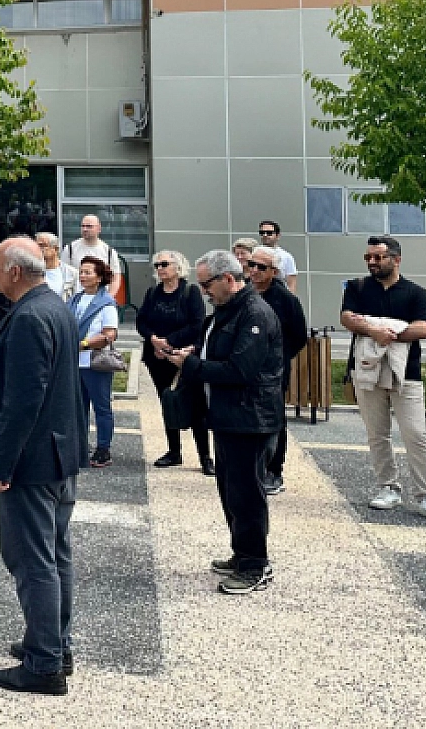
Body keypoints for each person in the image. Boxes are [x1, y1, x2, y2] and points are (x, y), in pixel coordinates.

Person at [0, 236, 85, 696]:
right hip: (58, 454)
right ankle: (54, 644)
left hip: (33, 462)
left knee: (33, 559)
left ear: (15, 271)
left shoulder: (32, 316)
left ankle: (44, 664)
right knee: (55, 555)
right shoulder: (53, 306)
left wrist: (0, 462)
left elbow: (24, 398)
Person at [161, 250, 284, 595]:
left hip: (251, 418)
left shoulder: (255, 313)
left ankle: (255, 564)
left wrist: (189, 366)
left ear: (228, 279)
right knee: (231, 492)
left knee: (247, 495)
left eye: (206, 285)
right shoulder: (225, 312)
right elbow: (212, 353)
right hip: (228, 417)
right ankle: (242, 553)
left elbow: (239, 370)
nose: (203, 292)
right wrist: (186, 354)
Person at [339, 235, 426, 524]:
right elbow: (347, 318)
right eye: (368, 258)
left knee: (416, 433)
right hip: (366, 369)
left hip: (407, 373)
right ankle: (387, 486)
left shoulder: (416, 293)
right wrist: (374, 330)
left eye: (378, 257)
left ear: (396, 259)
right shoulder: (357, 287)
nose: (372, 262)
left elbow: (423, 328)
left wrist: (385, 332)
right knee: (377, 432)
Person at [136, 251, 212, 473]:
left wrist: (169, 343)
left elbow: (197, 324)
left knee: (195, 406)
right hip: (157, 357)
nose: (160, 269)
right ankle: (174, 451)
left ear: (177, 267)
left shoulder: (190, 292)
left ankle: (205, 457)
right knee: (167, 401)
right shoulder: (152, 293)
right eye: (157, 265)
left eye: (164, 264)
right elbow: (142, 321)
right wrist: (153, 340)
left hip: (184, 356)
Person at [247, 246, 307, 495]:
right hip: (243, 367)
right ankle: (251, 468)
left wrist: (277, 359)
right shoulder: (242, 293)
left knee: (273, 418)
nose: (256, 271)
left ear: (274, 271)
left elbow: (299, 335)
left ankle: (274, 470)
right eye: (252, 265)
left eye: (262, 267)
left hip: (273, 371)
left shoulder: (286, 299)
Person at [68, 257, 120, 468]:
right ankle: (79, 445)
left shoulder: (106, 303)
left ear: (99, 278)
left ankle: (103, 448)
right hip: (74, 362)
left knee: (101, 406)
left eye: (88, 272)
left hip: (94, 362)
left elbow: (110, 334)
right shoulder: (74, 299)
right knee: (77, 407)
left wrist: (84, 343)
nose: (82, 276)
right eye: (81, 272)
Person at [254, 222, 298, 293]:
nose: (265, 235)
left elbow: (291, 283)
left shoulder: (286, 257)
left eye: (269, 233)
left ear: (278, 236)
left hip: (278, 295)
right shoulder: (255, 253)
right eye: (262, 232)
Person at [36, 233, 70, 300]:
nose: (39, 249)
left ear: (56, 249)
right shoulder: (31, 272)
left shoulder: (71, 273)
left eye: (42, 245)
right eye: (37, 246)